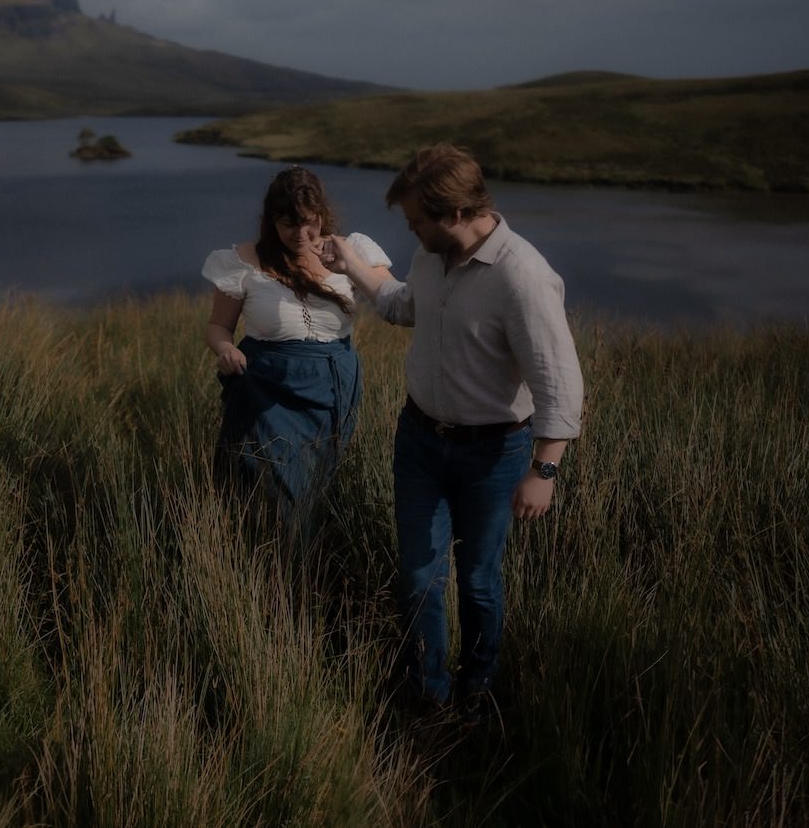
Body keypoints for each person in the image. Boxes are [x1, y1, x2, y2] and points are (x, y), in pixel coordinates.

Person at [323, 143, 584, 711]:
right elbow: (400, 307)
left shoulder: (523, 276)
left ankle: (477, 692)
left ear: (457, 214)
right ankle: (429, 695)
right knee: (418, 579)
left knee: (479, 583)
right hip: (418, 442)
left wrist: (545, 469)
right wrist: (352, 267)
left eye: (417, 220)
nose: (411, 230)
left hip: (493, 455)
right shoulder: (430, 258)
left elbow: (559, 383)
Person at [202, 166, 393, 520]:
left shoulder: (354, 251)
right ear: (271, 220)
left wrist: (350, 266)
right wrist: (226, 349)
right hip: (266, 386)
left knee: (318, 487)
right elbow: (218, 326)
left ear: (322, 214)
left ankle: (309, 568)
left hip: (333, 386)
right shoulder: (243, 260)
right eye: (289, 224)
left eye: (309, 222)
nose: (301, 234)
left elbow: (392, 299)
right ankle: (272, 565)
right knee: (276, 492)